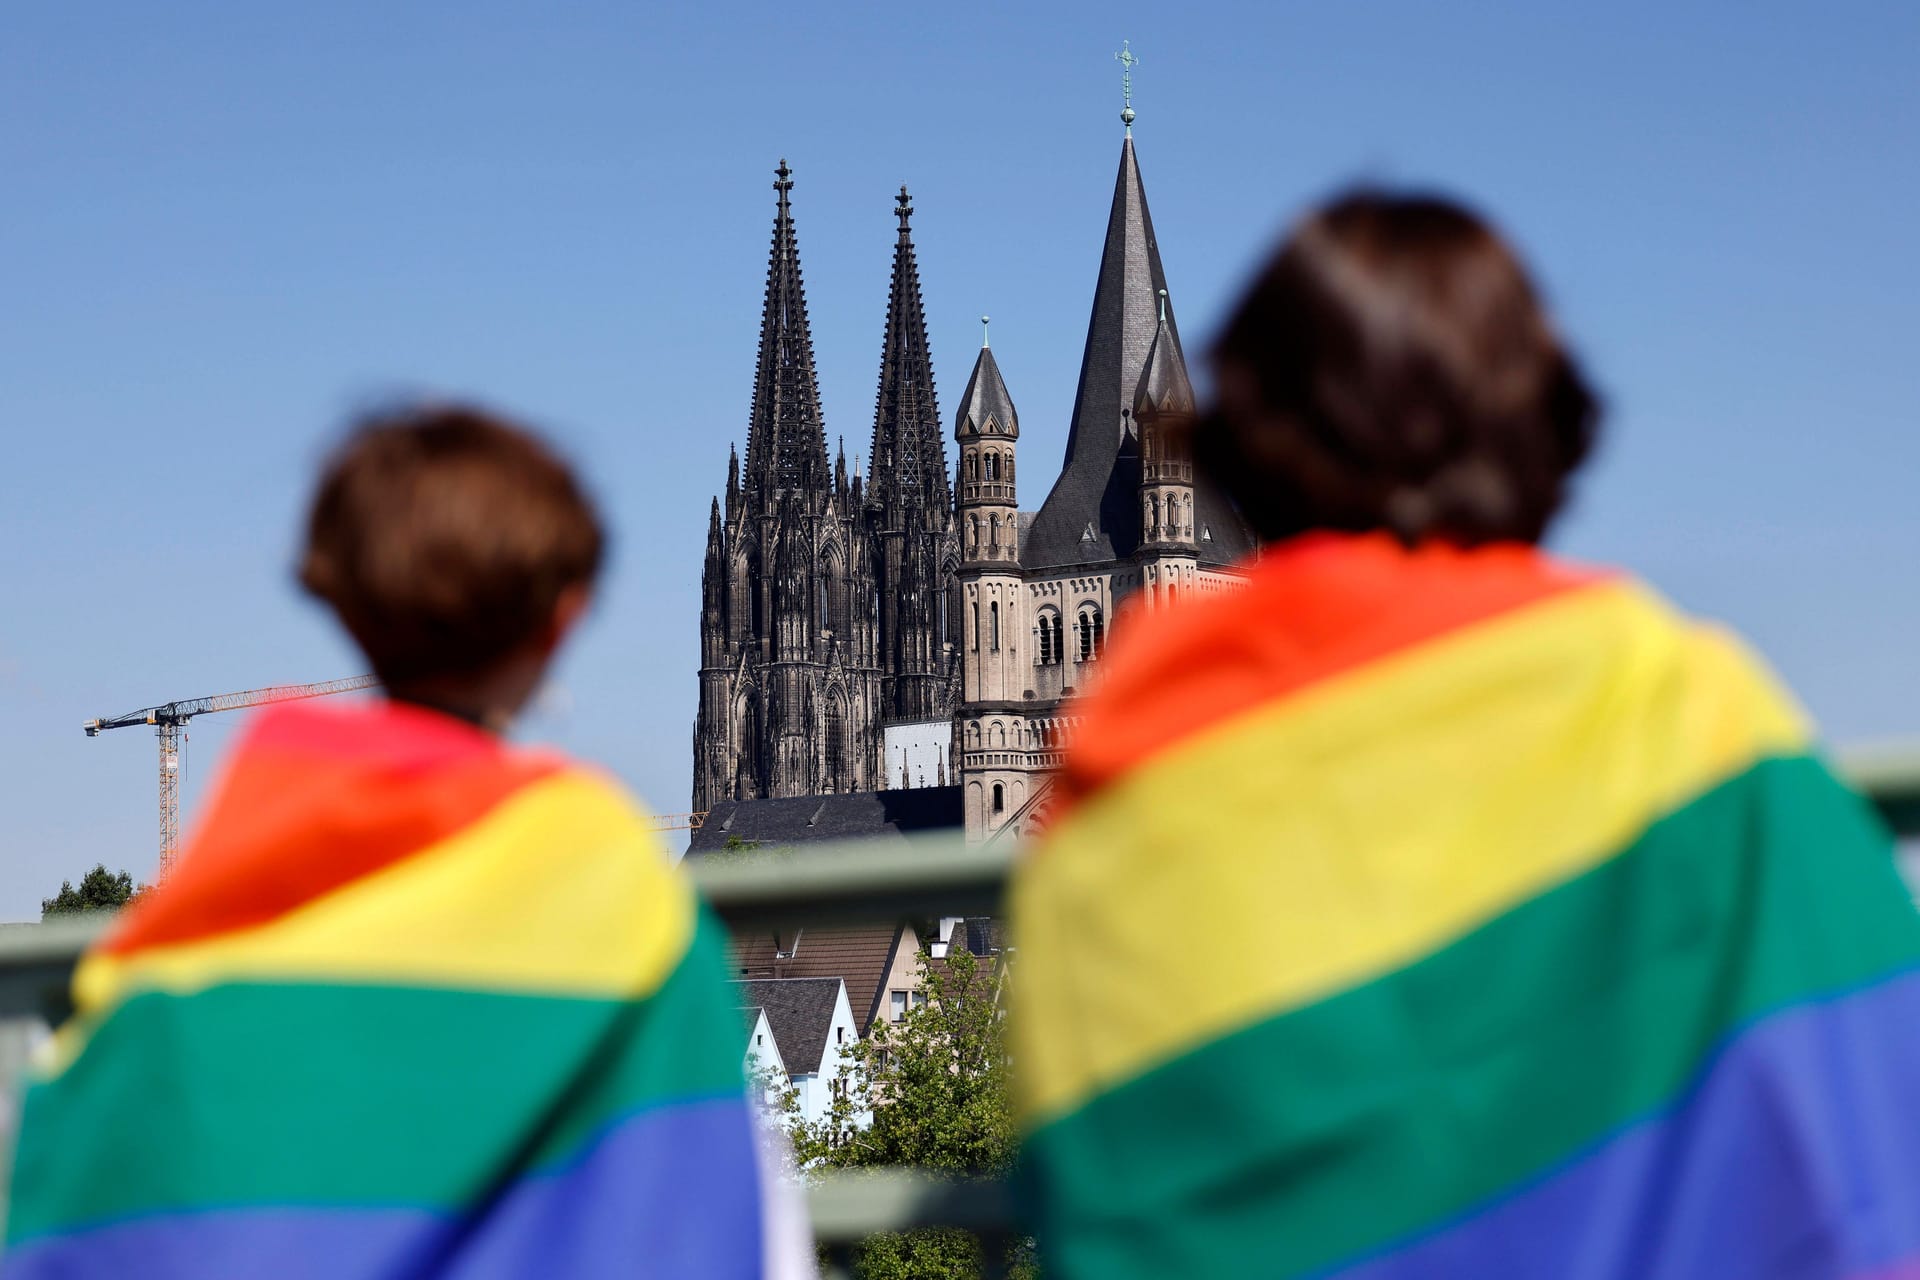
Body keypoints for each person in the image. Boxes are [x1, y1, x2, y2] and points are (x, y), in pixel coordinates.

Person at [1008, 194, 1920, 1278]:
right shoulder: (1679, 702)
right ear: (1547, 437)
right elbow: (1875, 1116)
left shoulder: (1120, 773)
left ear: (1242, 453)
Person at [5, 407, 811, 1278]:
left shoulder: (176, 943)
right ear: (560, 620)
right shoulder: (626, 911)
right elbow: (741, 1239)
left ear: (336, 597)